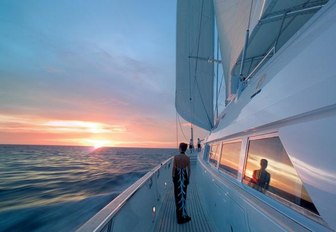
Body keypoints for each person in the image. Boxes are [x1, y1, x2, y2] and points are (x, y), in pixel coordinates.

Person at [172, 142, 191, 224]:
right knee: (183, 196)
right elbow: (189, 170)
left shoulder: (176, 157)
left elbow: (173, 169)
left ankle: (179, 217)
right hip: (184, 177)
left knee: (177, 196)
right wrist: (188, 179)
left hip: (177, 178)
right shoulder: (187, 158)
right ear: (185, 149)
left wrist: (173, 178)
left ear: (180, 148)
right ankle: (183, 215)